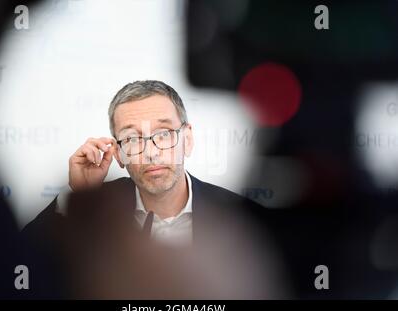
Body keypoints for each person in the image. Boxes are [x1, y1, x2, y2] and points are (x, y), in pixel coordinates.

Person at [23, 80, 289, 299]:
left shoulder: (236, 215)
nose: (150, 153)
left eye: (163, 134)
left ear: (187, 140)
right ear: (118, 154)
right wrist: (77, 195)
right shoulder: (97, 215)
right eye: (132, 139)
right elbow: (19, 270)